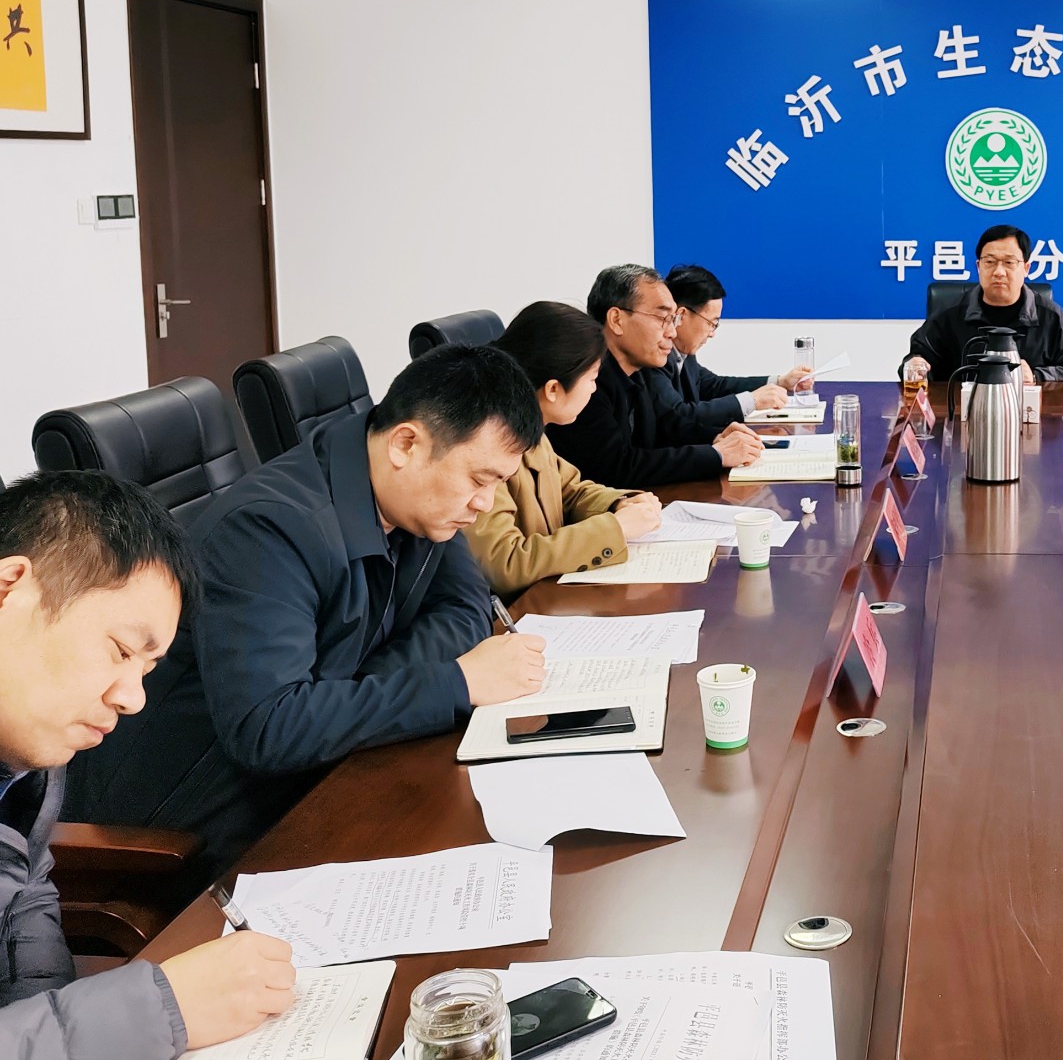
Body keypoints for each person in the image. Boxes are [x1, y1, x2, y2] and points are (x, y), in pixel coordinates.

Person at [67, 345, 550, 884]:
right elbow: (269, 728)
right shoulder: (267, 529)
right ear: (406, 444)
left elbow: (466, 608)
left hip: (323, 776)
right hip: (202, 830)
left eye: (498, 483)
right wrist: (454, 683)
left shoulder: (421, 506)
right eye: (479, 480)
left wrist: (356, 692)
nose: (486, 503)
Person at [0, 470, 295, 1059]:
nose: (133, 698)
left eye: (147, 669)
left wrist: (62, 1011)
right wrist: (159, 1011)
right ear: (10, 589)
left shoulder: (27, 759)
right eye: (120, 650)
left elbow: (23, 897)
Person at [470, 302, 664, 595]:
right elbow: (504, 562)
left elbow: (569, 490)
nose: (594, 389)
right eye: (592, 379)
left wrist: (620, 504)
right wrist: (616, 529)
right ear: (553, 389)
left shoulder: (532, 427)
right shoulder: (485, 445)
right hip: (518, 611)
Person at [550, 264, 765, 488]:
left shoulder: (639, 370)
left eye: (673, 320)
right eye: (662, 318)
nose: (672, 332)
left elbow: (669, 424)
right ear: (616, 320)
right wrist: (717, 455)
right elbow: (616, 467)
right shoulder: (586, 379)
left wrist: (716, 437)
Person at [901, 225, 1063, 384]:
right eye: (990, 262)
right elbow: (918, 358)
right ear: (978, 266)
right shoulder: (949, 313)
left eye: (1009, 262)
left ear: (1026, 268)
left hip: (1031, 411)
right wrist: (915, 365)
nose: (999, 272)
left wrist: (1036, 376)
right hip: (959, 410)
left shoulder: (1050, 315)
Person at [662, 265, 814, 430]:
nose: (712, 334)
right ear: (682, 316)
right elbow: (677, 416)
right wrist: (752, 401)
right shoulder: (656, 357)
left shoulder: (684, 351)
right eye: (711, 323)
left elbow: (713, 386)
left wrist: (780, 382)